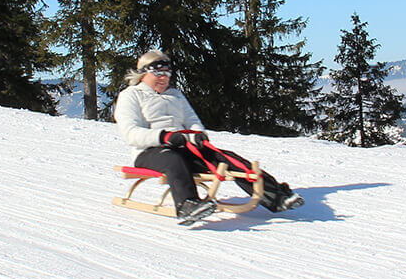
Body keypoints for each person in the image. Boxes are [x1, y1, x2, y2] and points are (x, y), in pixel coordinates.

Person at [114, 49, 303, 223]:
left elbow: (192, 120)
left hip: (184, 146)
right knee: (174, 160)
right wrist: (164, 137)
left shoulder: (176, 95)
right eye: (158, 73)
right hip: (150, 152)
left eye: (167, 73)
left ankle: (275, 195)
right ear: (143, 73)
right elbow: (131, 133)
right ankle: (187, 204)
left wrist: (198, 135)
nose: (164, 77)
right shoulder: (131, 95)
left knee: (226, 158)